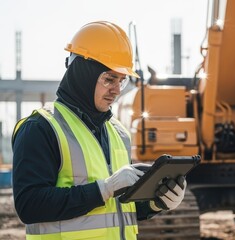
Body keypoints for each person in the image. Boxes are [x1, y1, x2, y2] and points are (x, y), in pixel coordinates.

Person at [11, 21, 186, 240]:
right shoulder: (40, 128)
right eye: (109, 79)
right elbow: (30, 206)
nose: (116, 90)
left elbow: (118, 209)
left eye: (121, 81)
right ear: (82, 74)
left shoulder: (119, 133)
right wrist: (104, 188)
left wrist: (155, 202)